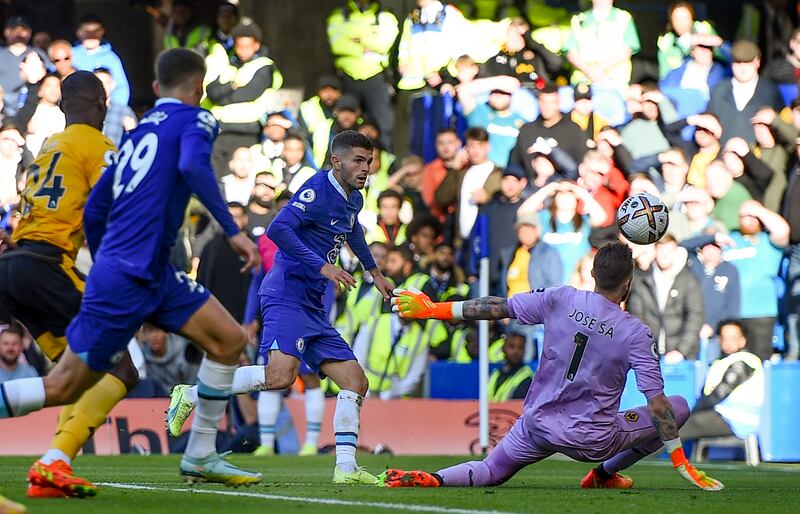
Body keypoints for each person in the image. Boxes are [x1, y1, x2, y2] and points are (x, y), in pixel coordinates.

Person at [0, 50, 264, 489]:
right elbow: (192, 165)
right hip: (112, 273)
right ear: (197, 89)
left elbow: (99, 205)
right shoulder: (194, 121)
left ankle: (200, 454)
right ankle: (55, 459)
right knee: (68, 384)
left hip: (136, 273)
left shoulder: (132, 136)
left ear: (156, 89)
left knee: (230, 339)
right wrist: (232, 229)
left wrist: (106, 260)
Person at [383, 242, 723, 492]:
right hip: (592, 440)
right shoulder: (635, 332)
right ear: (628, 282)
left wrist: (433, 309)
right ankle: (603, 476)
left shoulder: (560, 298)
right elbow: (659, 404)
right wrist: (681, 461)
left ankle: (435, 478)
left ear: (592, 273)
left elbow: (495, 307)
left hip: (537, 424)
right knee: (678, 406)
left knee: (491, 470)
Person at [167, 131, 394, 485]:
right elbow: (278, 228)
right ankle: (191, 394)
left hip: (312, 304)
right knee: (280, 377)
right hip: (286, 294)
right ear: (337, 161)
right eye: (358, 161)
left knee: (354, 381)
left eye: (369, 161)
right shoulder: (317, 189)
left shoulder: (354, 199)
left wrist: (375, 273)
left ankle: (346, 469)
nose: (366, 168)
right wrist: (322, 265)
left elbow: (353, 234)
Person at [0, 71, 142, 499]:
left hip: (13, 265)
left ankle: (54, 467)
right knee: (121, 368)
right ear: (102, 104)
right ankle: (54, 461)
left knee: (75, 376)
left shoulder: (48, 146)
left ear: (62, 107)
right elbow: (109, 214)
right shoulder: (99, 146)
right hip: (47, 266)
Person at [207, 21, 283, 176]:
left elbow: (248, 93)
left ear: (256, 45)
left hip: (246, 133)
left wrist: (224, 93)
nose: (242, 50)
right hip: (221, 131)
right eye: (239, 45)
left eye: (247, 46)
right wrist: (232, 86)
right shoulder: (228, 66)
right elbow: (212, 93)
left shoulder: (264, 66)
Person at [327, 0, 399, 150]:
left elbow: (384, 44)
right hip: (347, 77)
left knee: (383, 124)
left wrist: (356, 40)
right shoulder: (339, 15)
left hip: (375, 76)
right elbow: (337, 44)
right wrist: (365, 47)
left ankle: (384, 163)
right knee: (346, 125)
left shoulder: (385, 15)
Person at [722, 200, 789, 360]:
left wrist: (759, 210)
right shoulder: (730, 238)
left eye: (754, 215)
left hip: (760, 312)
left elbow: (783, 231)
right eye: (744, 216)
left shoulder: (768, 241)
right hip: (731, 313)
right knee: (732, 364)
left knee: (758, 363)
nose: (749, 219)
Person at [627, 233, 705, 362]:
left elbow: (695, 316)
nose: (665, 255)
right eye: (661, 250)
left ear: (676, 252)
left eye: (670, 250)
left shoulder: (688, 279)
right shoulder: (642, 279)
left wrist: (681, 351)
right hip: (650, 354)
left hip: (681, 357)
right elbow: (637, 316)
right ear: (655, 251)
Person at [681, 320, 763, 443]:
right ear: (719, 340)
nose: (728, 342)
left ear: (743, 340)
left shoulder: (745, 360)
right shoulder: (721, 362)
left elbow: (719, 394)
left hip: (737, 420)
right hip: (724, 416)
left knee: (680, 426)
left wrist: (693, 412)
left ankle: (644, 454)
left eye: (733, 338)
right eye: (724, 338)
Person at [708, 40, 782, 144]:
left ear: (757, 62)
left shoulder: (771, 91)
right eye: (738, 62)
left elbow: (781, 128)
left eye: (747, 62)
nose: (742, 68)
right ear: (731, 63)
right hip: (723, 156)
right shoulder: (718, 91)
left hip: (759, 157)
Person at [508, 85, 588, 179]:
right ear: (538, 102)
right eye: (544, 102)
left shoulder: (573, 130)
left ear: (559, 103)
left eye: (552, 102)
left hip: (562, 187)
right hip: (531, 188)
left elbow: (580, 163)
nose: (548, 107)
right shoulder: (527, 130)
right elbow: (516, 162)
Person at [564, 0, 640, 88]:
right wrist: (589, 71)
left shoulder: (623, 17)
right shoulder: (579, 19)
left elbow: (627, 50)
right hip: (582, 83)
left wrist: (599, 70)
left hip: (614, 81)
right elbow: (571, 52)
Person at [71, 15, 130, 106]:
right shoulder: (69, 55)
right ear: (78, 32)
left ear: (102, 32)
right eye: (87, 31)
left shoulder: (112, 58)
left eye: (96, 31)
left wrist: (115, 109)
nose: (91, 35)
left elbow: (121, 88)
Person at [657, 1, 723, 79]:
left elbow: (722, 55)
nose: (680, 23)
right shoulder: (666, 42)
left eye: (684, 18)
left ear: (692, 18)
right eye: (676, 19)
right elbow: (664, 75)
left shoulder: (704, 29)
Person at [138, 324, 199, 397]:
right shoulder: (141, 355)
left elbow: (193, 385)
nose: (154, 336)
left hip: (185, 399)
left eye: (158, 331)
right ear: (144, 335)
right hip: (157, 400)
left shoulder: (185, 351)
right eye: (150, 331)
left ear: (166, 332)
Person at [93, 67, 137, 147]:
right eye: (98, 83)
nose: (102, 87)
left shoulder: (124, 112)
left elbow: (135, 143)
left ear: (113, 85)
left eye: (106, 83)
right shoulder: (84, 112)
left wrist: (131, 130)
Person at [487, 332, 533, 402]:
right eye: (511, 346)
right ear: (503, 348)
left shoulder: (527, 377)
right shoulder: (495, 374)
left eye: (520, 347)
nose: (516, 351)